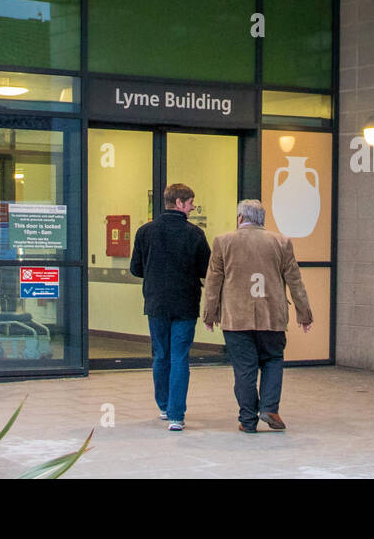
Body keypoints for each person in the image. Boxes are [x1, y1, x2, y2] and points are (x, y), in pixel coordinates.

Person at [203, 198, 312, 433]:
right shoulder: (281, 242)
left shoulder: (223, 241)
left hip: (236, 319)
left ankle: (248, 420)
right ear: (262, 219)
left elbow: (214, 281)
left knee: (244, 369)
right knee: (273, 360)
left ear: (240, 218)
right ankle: (269, 407)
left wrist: (209, 314)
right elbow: (295, 280)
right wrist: (304, 314)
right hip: (272, 317)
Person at [129, 182, 211, 431]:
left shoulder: (145, 232)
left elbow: (136, 269)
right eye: (190, 202)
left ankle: (163, 406)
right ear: (178, 203)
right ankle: (177, 415)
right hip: (186, 304)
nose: (192, 207)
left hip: (156, 303)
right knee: (180, 357)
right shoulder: (195, 234)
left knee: (161, 355)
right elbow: (206, 269)